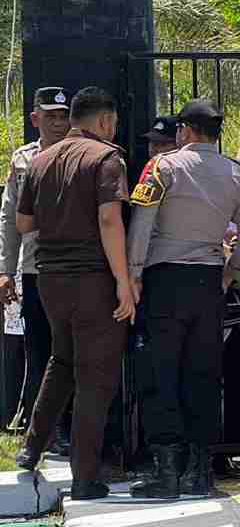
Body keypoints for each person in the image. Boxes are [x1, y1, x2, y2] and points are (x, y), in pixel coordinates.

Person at [125, 99, 240, 498]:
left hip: (165, 279)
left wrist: (133, 274)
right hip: (209, 281)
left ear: (184, 130)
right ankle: (200, 472)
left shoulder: (162, 167)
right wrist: (235, 272)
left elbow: (142, 222)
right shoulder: (237, 175)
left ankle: (167, 471)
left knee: (161, 372)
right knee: (203, 374)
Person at [13, 87, 134, 500]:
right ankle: (85, 477)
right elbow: (108, 220)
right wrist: (123, 281)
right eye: (113, 123)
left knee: (61, 360)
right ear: (103, 122)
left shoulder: (40, 160)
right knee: (96, 377)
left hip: (49, 278)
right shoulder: (106, 158)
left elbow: (24, 223)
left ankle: (31, 448)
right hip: (93, 279)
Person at [1, 87, 71, 446]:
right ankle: (41, 428)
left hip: (74, 267)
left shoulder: (80, 153)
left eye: (63, 116)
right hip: (34, 268)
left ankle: (67, 427)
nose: (58, 123)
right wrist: (4, 270)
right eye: (51, 116)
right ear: (35, 119)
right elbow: (9, 218)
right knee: (39, 350)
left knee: (71, 350)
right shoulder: (23, 159)